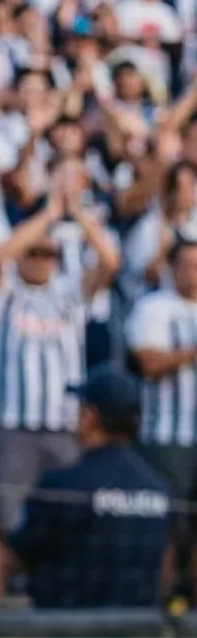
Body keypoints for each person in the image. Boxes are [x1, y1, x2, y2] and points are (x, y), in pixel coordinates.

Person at [0, 189, 119, 606]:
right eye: (33, 251)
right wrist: (50, 214)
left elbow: (110, 262)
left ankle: (59, 611)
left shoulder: (69, 295)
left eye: (48, 253)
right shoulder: (2, 294)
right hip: (10, 425)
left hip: (62, 427)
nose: (40, 258)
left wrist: (76, 213)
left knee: (69, 523)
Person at [8, 366, 170, 609]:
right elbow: (165, 572)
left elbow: (20, 555)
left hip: (69, 635)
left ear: (90, 416)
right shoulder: (159, 489)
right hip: (139, 636)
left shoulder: (62, 484)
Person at [124, 237, 197, 595]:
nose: (194, 272)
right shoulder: (153, 308)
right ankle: (154, 616)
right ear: (172, 268)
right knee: (166, 526)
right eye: (187, 264)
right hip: (167, 438)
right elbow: (148, 363)